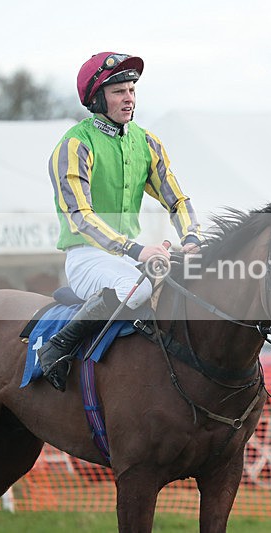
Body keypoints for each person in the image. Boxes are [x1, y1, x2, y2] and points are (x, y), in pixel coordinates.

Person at [38, 52, 202, 391]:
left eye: (131, 90)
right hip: (87, 258)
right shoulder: (74, 144)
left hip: (130, 258)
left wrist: (192, 237)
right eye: (118, 92)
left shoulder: (147, 142)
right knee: (138, 288)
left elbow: (177, 199)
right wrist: (136, 249)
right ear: (97, 99)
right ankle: (57, 348)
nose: (129, 98)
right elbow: (80, 217)